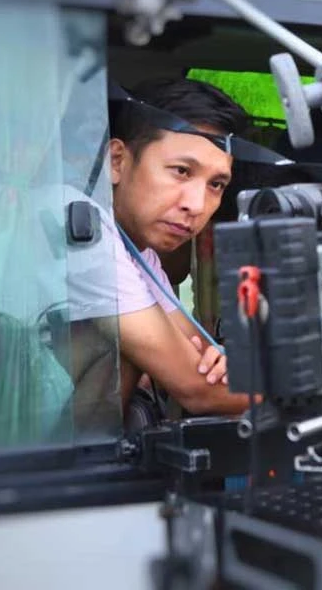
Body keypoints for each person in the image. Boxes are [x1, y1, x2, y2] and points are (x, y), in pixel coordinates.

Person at [68, 77, 252, 432]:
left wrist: (225, 363)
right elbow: (199, 389)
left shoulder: (141, 254)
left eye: (216, 185)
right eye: (181, 171)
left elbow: (202, 355)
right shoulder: (77, 224)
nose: (196, 205)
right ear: (117, 161)